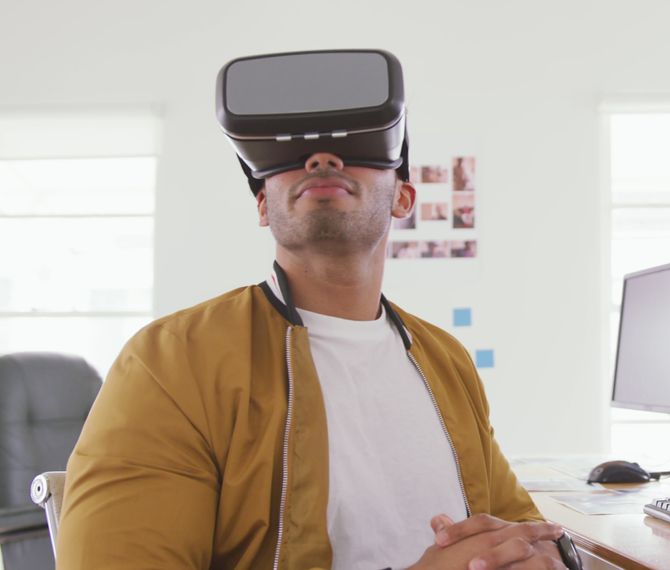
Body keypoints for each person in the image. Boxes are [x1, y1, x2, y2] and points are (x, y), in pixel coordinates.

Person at [57, 50, 577, 570]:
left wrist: (544, 556)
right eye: (293, 152)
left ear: (402, 197)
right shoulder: (171, 362)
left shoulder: (447, 360)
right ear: (263, 205)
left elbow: (523, 525)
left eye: (356, 146)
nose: (321, 159)